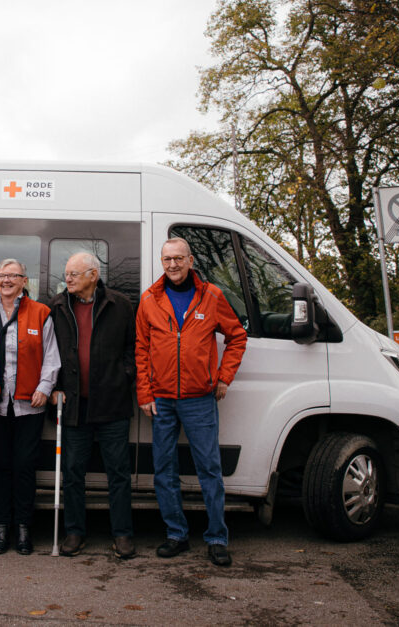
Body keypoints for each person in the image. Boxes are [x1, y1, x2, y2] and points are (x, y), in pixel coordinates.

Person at [136, 237, 247, 566]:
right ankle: (176, 534)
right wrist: (144, 393)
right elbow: (141, 349)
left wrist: (225, 376)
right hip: (163, 400)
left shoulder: (211, 296)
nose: (172, 265)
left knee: (209, 470)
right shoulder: (149, 300)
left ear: (191, 260)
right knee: (164, 470)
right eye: (167, 259)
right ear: (162, 261)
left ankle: (216, 537)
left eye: (178, 259)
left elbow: (237, 336)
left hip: (200, 399)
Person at [48, 252, 137, 559]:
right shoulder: (57, 307)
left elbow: (132, 347)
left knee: (119, 472)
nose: (67, 279)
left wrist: (125, 376)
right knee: (73, 471)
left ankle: (122, 533)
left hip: (112, 402)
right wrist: (55, 387)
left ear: (93, 276)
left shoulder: (120, 305)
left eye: (74, 274)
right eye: (67, 274)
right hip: (74, 403)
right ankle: (74, 532)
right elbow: (50, 352)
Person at [0, 259, 61, 555]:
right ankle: (0, 528)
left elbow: (51, 356)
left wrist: (44, 388)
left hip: (29, 405)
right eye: (2, 276)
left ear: (25, 281)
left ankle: (23, 527)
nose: (7, 280)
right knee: (1, 468)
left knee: (24, 468)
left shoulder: (41, 313)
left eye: (13, 276)